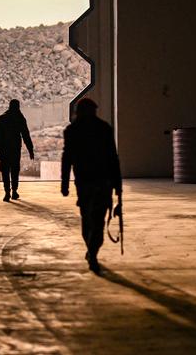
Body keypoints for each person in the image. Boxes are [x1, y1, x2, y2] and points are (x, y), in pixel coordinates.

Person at [61, 98, 122, 273]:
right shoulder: (104, 128)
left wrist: (64, 184)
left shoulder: (72, 130)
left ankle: (92, 251)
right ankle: (93, 252)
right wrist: (118, 187)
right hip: (103, 182)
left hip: (85, 182)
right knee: (97, 221)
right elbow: (113, 159)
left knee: (88, 219)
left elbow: (67, 159)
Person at [0, 99, 34, 202]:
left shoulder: (2, 118)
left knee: (5, 171)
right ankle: (14, 191)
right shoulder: (20, 118)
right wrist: (30, 149)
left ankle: (7, 193)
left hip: (4, 150)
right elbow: (26, 135)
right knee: (14, 170)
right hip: (15, 150)